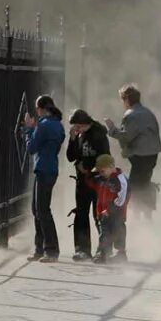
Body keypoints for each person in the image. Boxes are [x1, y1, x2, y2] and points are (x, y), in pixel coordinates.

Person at [104, 84, 161, 218]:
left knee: (135, 187)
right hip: (152, 154)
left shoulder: (131, 115)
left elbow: (126, 135)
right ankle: (147, 215)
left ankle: (136, 216)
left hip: (140, 155)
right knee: (145, 182)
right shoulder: (147, 112)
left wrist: (112, 129)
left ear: (126, 99)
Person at [24, 95, 65, 262]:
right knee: (39, 209)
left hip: (43, 169)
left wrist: (28, 129)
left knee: (41, 210)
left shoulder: (43, 125)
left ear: (41, 108)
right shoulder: (58, 125)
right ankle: (41, 248)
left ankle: (50, 250)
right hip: (51, 168)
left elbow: (31, 148)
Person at [66, 109, 111, 261]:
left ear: (84, 123)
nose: (76, 130)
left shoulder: (99, 134)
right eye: (75, 128)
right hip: (82, 181)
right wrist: (72, 139)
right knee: (81, 214)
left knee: (99, 214)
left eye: (78, 126)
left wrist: (89, 169)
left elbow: (104, 158)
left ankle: (103, 250)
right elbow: (70, 157)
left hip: (98, 181)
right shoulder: (78, 135)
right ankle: (82, 249)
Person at [87, 154, 129, 264]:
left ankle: (120, 254)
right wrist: (89, 173)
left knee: (118, 230)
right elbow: (91, 182)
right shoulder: (101, 178)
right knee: (104, 233)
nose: (100, 173)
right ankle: (103, 253)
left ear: (111, 167)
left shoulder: (121, 179)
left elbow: (121, 199)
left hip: (117, 213)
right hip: (102, 213)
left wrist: (110, 210)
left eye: (102, 171)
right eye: (99, 171)